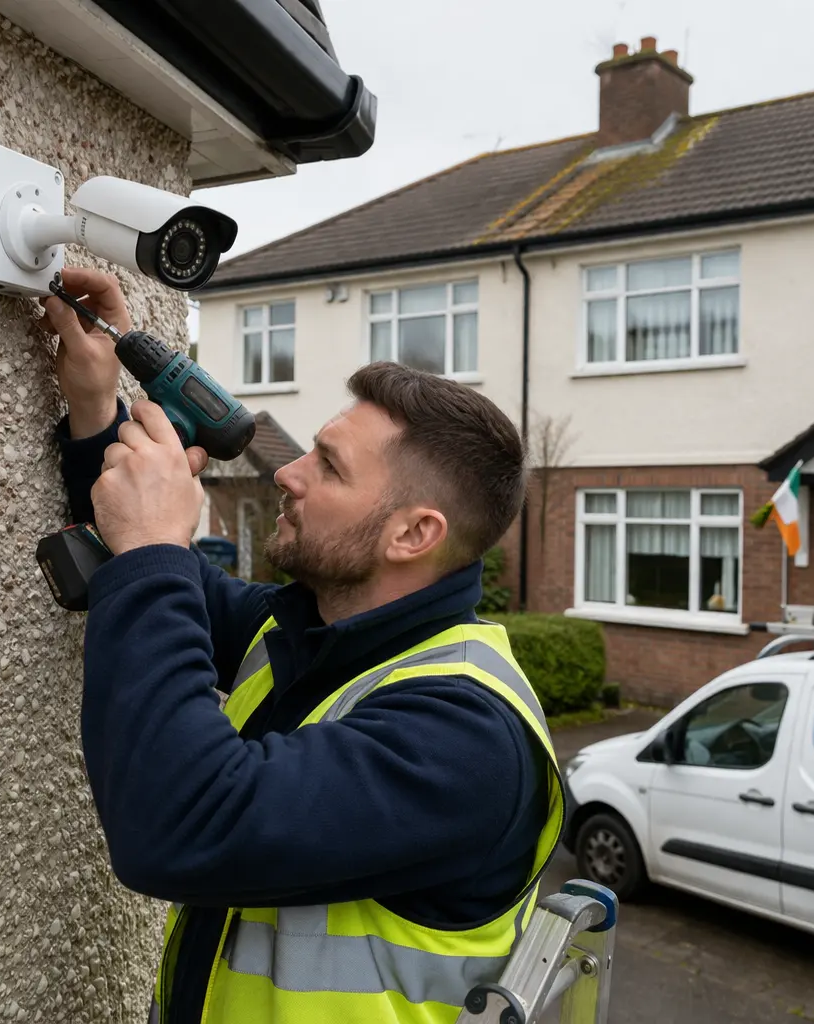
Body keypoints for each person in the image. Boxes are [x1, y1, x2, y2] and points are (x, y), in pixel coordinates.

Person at [43, 266, 564, 1024]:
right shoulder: (312, 634)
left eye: (328, 466)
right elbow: (148, 577)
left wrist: (157, 542)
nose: (287, 473)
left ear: (413, 533)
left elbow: (180, 826)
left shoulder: (463, 740)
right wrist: (96, 406)